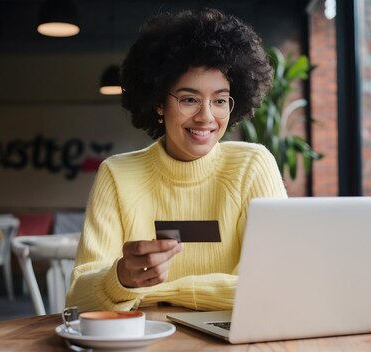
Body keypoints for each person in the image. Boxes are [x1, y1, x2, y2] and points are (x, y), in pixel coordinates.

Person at [66, 8, 287, 312]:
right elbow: (78, 300)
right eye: (189, 99)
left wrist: (157, 292)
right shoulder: (117, 175)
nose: (206, 117)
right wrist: (121, 277)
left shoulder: (253, 166)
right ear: (158, 103)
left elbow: (276, 285)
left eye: (220, 100)